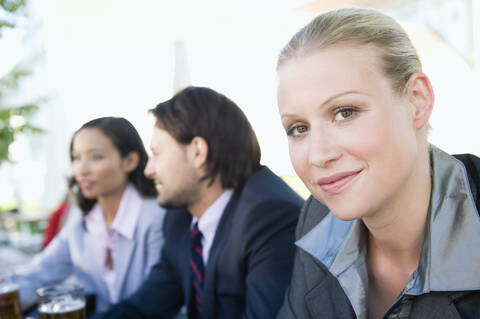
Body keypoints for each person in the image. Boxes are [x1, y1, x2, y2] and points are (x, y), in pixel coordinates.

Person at [275, 7, 480, 319]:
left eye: (345, 112)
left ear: (417, 100)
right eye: (299, 129)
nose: (318, 155)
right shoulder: (318, 219)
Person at [99, 86, 304, 319]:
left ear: (197, 152)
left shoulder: (269, 217)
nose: (148, 170)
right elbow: (145, 306)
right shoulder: (180, 217)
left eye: (157, 153)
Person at [16, 117, 166, 316]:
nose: (82, 170)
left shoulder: (156, 216)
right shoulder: (81, 217)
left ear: (130, 161)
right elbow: (42, 271)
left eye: (96, 157)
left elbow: (157, 299)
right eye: (76, 157)